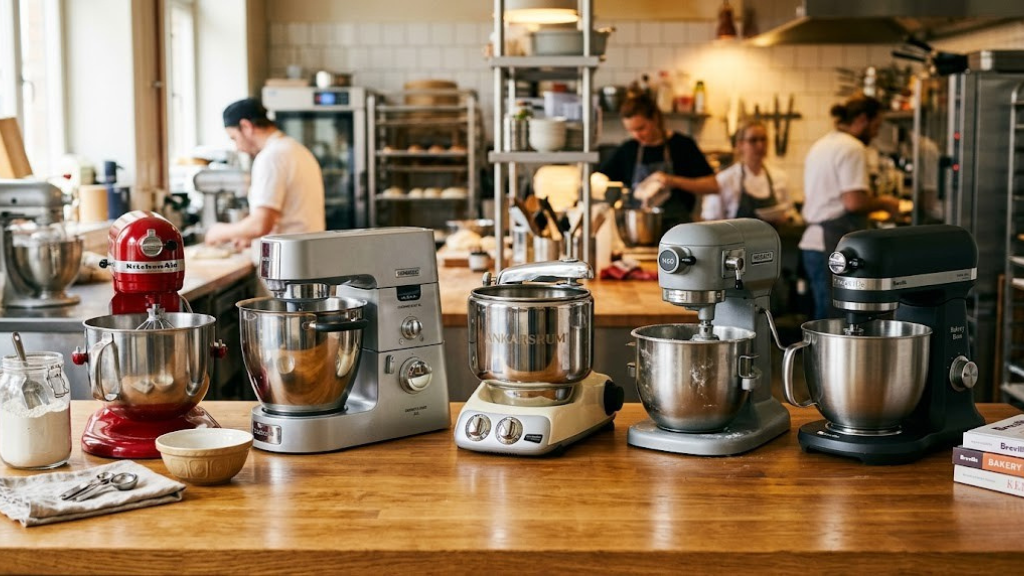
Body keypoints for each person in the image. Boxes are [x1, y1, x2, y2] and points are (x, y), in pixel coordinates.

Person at [799, 94, 900, 320]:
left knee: (822, 318)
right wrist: (885, 202)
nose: (875, 133)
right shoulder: (853, 148)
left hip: (812, 243)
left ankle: (817, 356)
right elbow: (854, 202)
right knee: (838, 319)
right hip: (833, 245)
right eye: (876, 126)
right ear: (863, 119)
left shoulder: (821, 144)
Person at [205, 98, 325, 251]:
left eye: (234, 138)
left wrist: (219, 231)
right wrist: (247, 236)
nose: (237, 148)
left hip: (288, 265)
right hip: (307, 256)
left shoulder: (271, 157)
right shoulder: (297, 150)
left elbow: (260, 224)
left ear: (246, 126)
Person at [597, 93, 719, 230]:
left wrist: (673, 181)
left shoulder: (683, 145)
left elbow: (713, 186)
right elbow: (601, 179)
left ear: (655, 119)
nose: (636, 135)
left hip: (678, 230)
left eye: (640, 128)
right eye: (631, 130)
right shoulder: (628, 149)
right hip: (639, 228)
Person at [702, 120, 796, 224]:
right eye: (753, 140)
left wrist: (786, 218)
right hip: (736, 239)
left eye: (763, 139)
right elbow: (712, 219)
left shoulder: (779, 177)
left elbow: (791, 212)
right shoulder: (725, 179)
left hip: (772, 239)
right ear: (740, 144)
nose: (760, 145)